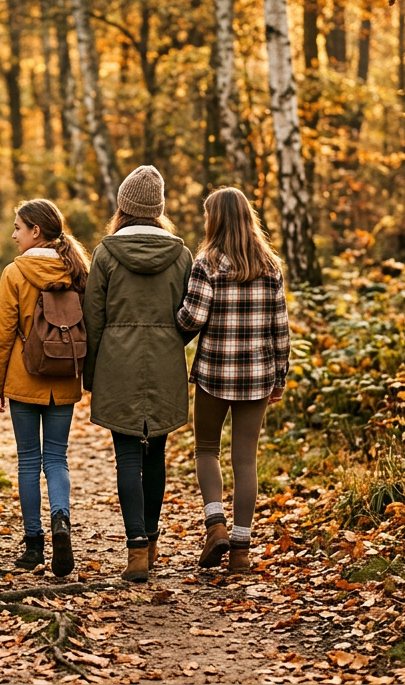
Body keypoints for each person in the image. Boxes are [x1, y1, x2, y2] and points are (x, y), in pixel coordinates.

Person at [82, 166, 193, 583]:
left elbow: (94, 318)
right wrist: (169, 341)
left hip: (117, 362)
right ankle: (152, 538)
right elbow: (190, 312)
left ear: (123, 208)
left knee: (127, 455)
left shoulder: (106, 253)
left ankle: (136, 552)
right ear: (158, 210)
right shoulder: (181, 255)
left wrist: (92, 375)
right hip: (165, 362)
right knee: (157, 454)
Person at [176, 186, 290, 574]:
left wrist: (167, 326)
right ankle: (241, 551)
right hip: (258, 376)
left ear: (216, 219)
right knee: (246, 460)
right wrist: (280, 376)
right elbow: (281, 329)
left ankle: (216, 525)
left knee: (206, 449)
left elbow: (193, 319)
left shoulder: (206, 262)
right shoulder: (271, 266)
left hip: (214, 374)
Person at [0, 199, 89, 577]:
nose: (13, 235)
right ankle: (61, 521)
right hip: (64, 378)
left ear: (36, 231)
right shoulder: (77, 269)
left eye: (18, 228)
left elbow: (0, 336)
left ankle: (33, 546)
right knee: (56, 458)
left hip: (24, 378)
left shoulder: (15, 272)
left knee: (29, 460)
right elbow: (89, 326)